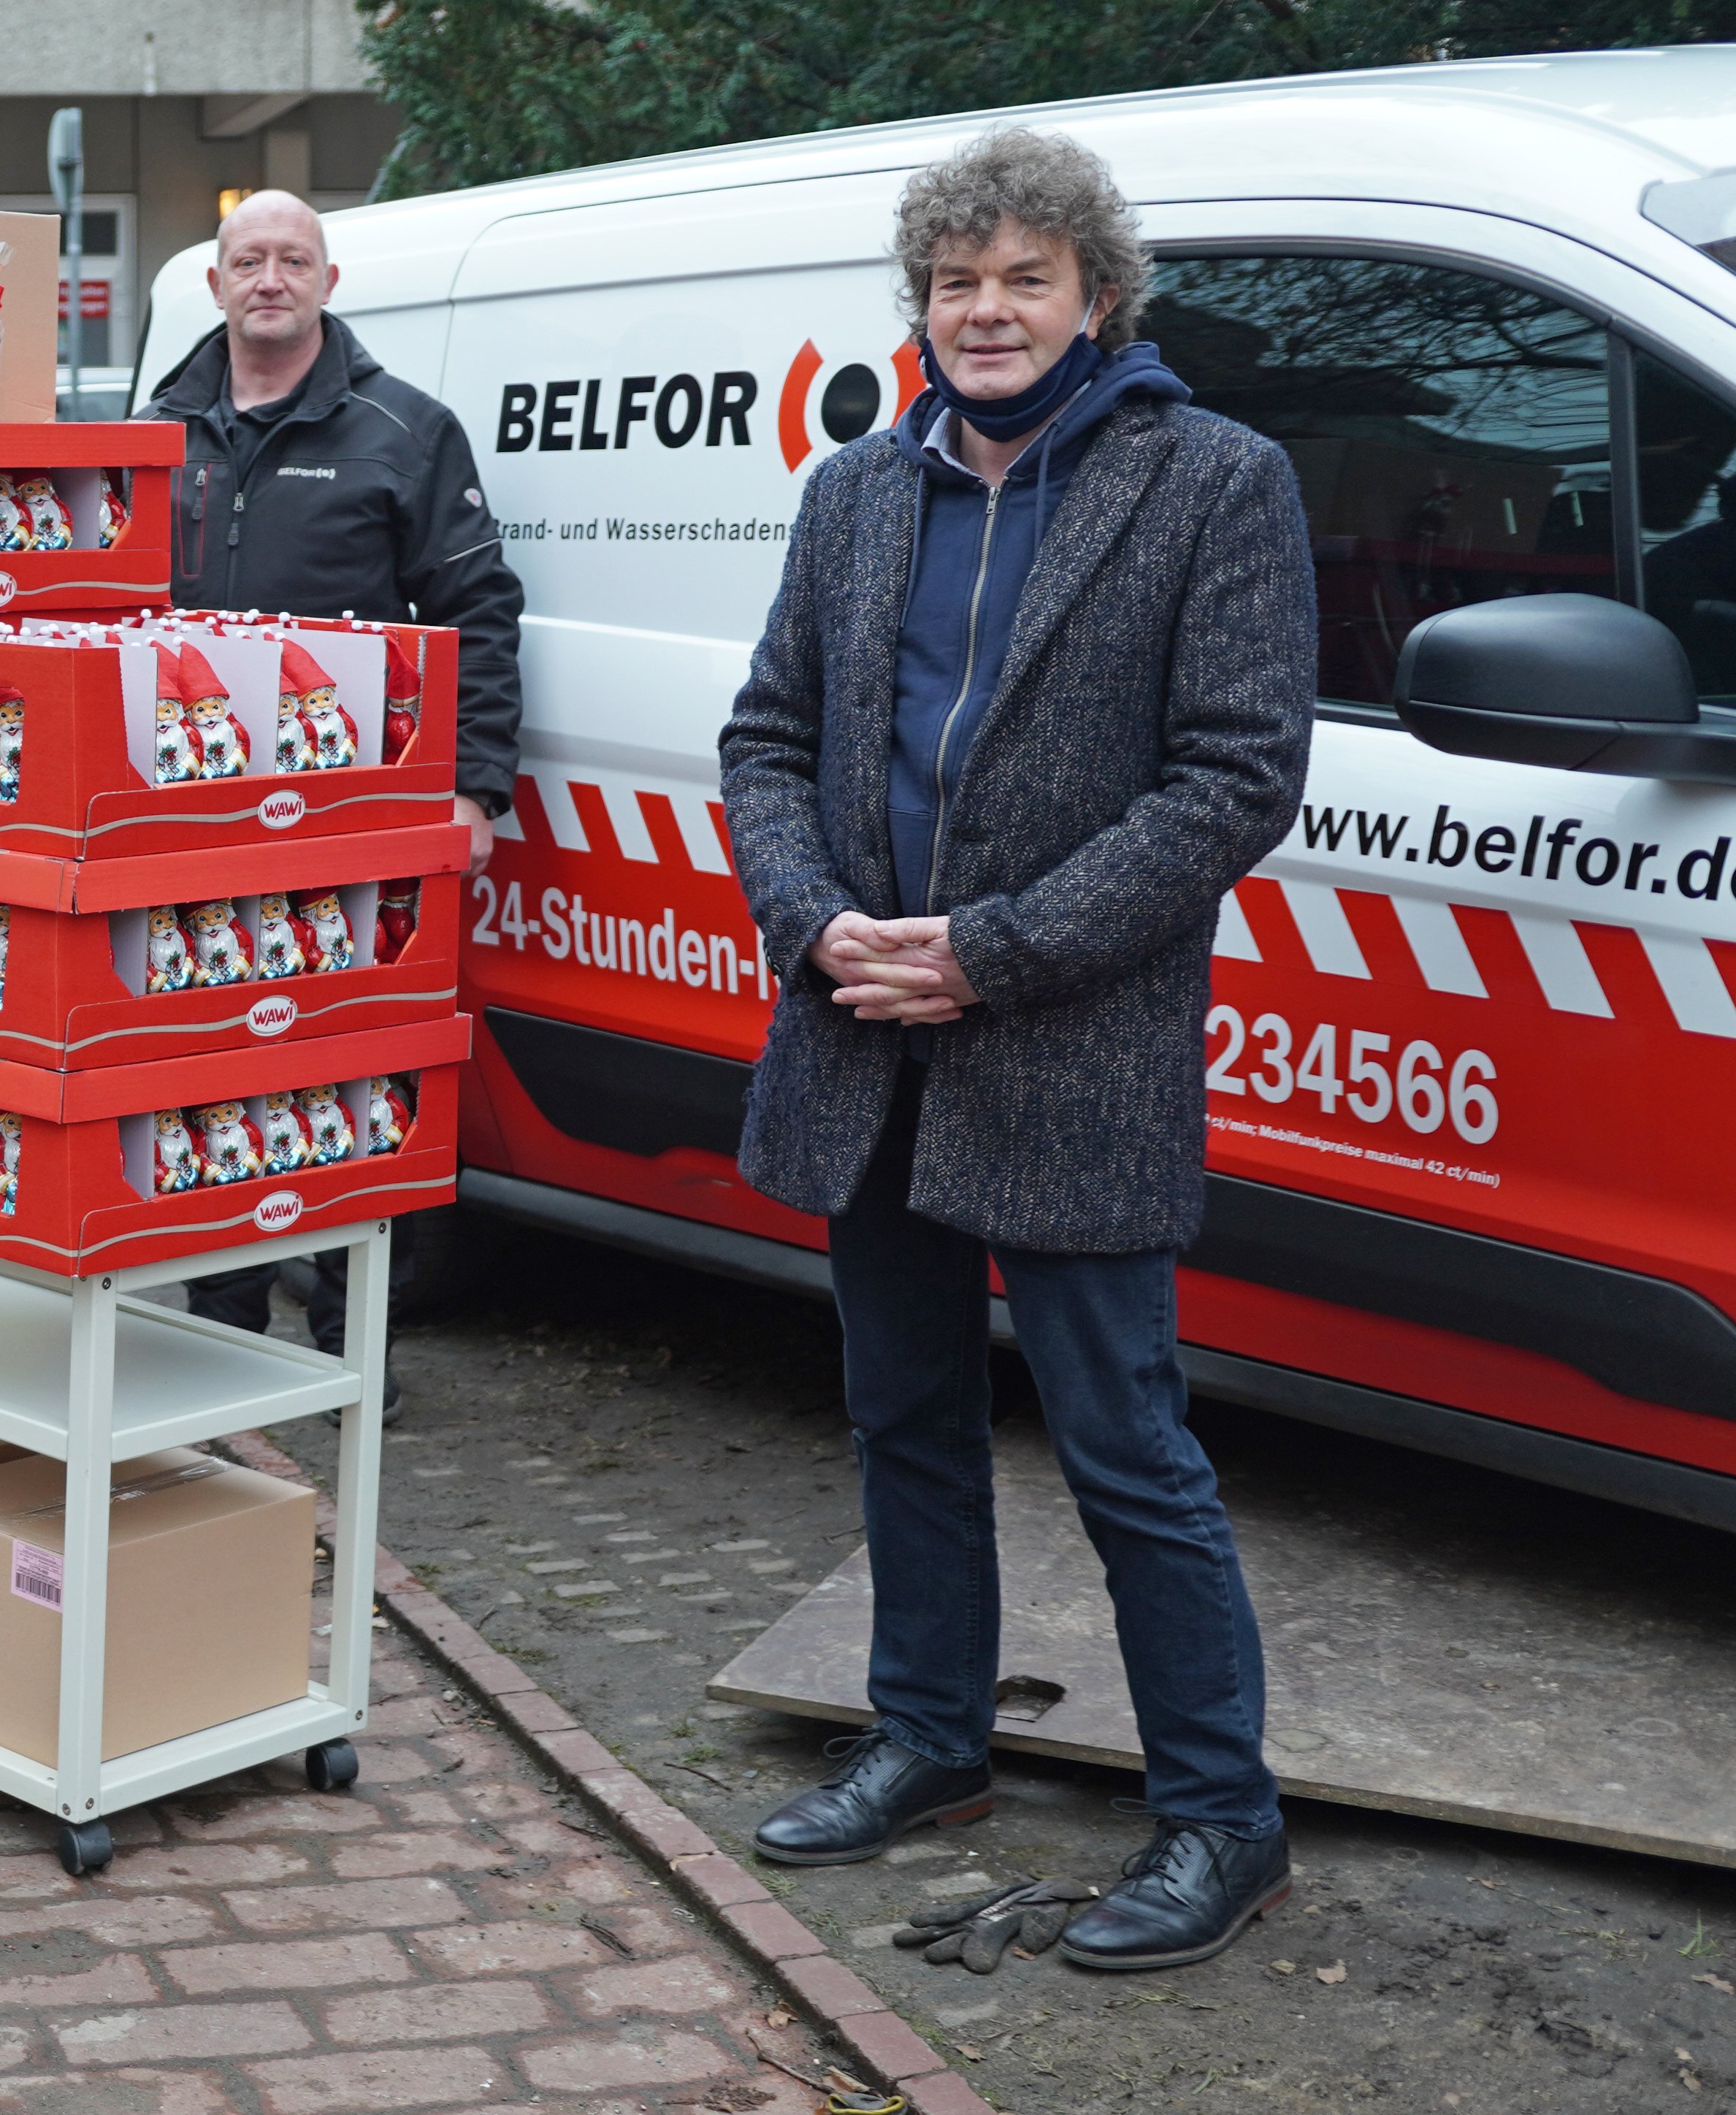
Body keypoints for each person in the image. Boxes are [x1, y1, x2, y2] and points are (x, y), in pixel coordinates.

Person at [716, 127, 1314, 1971]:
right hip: (860, 1035)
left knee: (1128, 1445)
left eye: (1023, 277)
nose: (986, 308)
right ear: (922, 307)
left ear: (1097, 297)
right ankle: (933, 1739)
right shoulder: (856, 492)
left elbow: (1235, 779)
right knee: (904, 1412)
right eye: (955, 280)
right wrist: (814, 916)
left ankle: (1224, 1818)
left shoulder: (1217, 481)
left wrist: (990, 951)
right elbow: (765, 738)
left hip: (1067, 1047)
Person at [142, 189, 525, 1361]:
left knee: (361, 1079)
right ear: (214, 286)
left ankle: (355, 1354)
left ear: (328, 279)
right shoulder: (156, 427)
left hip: (355, 818)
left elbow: (477, 614)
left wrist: (474, 785)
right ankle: (223, 1332)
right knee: (213, 1071)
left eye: (292, 259)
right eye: (247, 260)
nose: (270, 278)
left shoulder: (403, 429)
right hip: (194, 811)